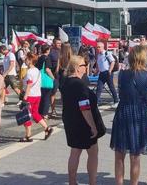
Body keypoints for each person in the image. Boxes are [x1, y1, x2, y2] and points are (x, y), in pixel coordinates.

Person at [110, 46, 147, 185]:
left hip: (124, 112)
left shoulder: (122, 74)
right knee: (135, 156)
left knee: (119, 154)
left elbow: (120, 91)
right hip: (140, 113)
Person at [62, 55, 101, 185]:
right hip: (82, 122)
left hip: (70, 120)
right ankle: (92, 182)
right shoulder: (80, 85)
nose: (86, 67)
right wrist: (93, 126)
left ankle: (72, 181)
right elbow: (85, 107)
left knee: (75, 151)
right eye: (84, 65)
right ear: (78, 68)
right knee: (93, 152)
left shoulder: (66, 82)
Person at [21, 52, 54, 142]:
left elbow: (29, 85)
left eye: (26, 59)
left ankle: (28, 135)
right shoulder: (37, 71)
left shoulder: (29, 72)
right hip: (37, 95)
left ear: (30, 60)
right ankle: (47, 128)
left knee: (26, 115)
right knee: (35, 113)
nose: (25, 60)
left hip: (30, 95)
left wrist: (25, 97)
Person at [95, 42, 119, 107]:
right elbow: (99, 65)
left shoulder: (107, 53)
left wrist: (110, 70)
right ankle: (96, 102)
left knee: (111, 87)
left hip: (108, 73)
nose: (97, 48)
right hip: (102, 73)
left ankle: (116, 101)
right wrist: (96, 72)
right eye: (97, 47)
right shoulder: (98, 55)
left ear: (103, 47)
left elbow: (112, 62)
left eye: (99, 47)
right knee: (99, 88)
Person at [35, 45, 56, 118]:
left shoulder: (40, 58)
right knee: (47, 98)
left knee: (41, 97)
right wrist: (53, 78)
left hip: (39, 80)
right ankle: (44, 114)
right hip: (46, 81)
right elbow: (47, 69)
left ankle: (39, 112)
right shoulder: (47, 58)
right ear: (47, 50)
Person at [49, 38, 62, 116]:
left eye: (60, 43)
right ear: (54, 44)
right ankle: (53, 110)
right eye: (58, 43)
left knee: (63, 93)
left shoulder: (63, 52)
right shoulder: (51, 53)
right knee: (53, 93)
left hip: (62, 75)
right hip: (54, 76)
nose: (59, 45)